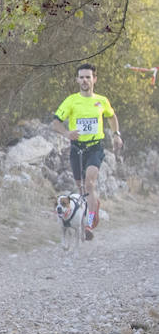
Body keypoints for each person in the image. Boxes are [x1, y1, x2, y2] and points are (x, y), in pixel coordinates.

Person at [51, 63, 122, 239]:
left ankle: (89, 223)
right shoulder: (71, 100)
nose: (84, 80)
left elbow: (112, 116)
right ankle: (93, 206)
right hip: (76, 149)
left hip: (95, 147)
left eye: (88, 77)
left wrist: (116, 135)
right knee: (81, 187)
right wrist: (67, 133)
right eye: (81, 77)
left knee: (89, 183)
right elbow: (55, 122)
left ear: (94, 79)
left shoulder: (102, 101)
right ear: (77, 80)